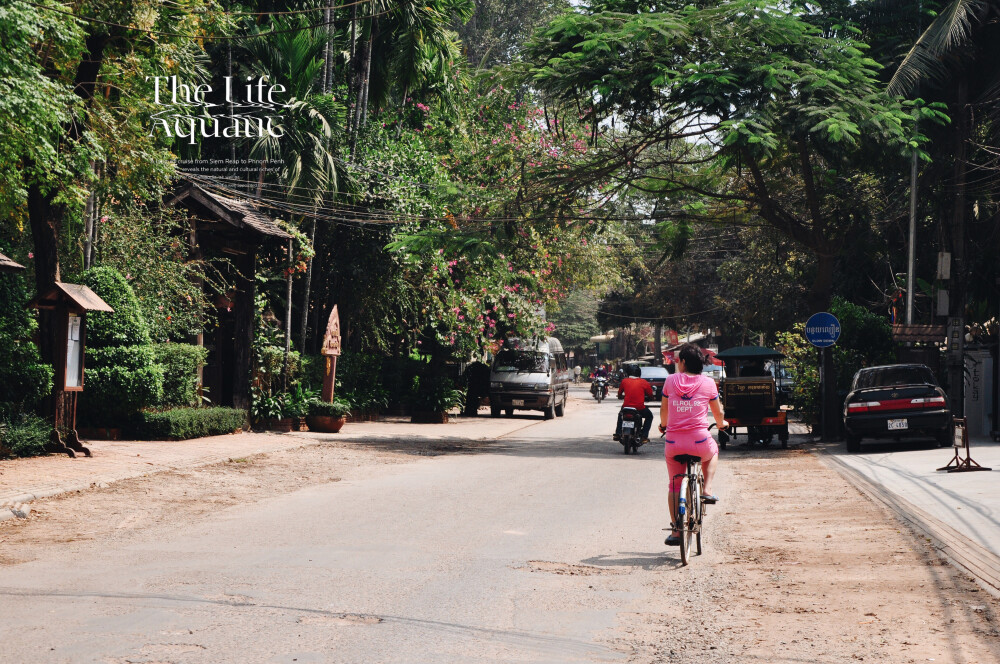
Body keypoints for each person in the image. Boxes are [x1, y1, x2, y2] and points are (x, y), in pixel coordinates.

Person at [658, 343, 728, 547]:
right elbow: (718, 414)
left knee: (674, 484)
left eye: (678, 359)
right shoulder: (708, 384)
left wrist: (664, 425)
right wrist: (722, 424)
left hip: (673, 443)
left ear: (684, 362)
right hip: (699, 442)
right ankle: (706, 489)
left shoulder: (670, 381)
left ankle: (675, 531)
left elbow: (664, 412)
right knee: (713, 450)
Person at [614, 364, 653, 443]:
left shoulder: (624, 381)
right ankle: (644, 436)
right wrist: (650, 398)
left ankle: (618, 433)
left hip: (626, 408)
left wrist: (620, 396)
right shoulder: (644, 382)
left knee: (620, 415)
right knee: (649, 416)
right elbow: (650, 395)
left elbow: (619, 394)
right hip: (640, 408)